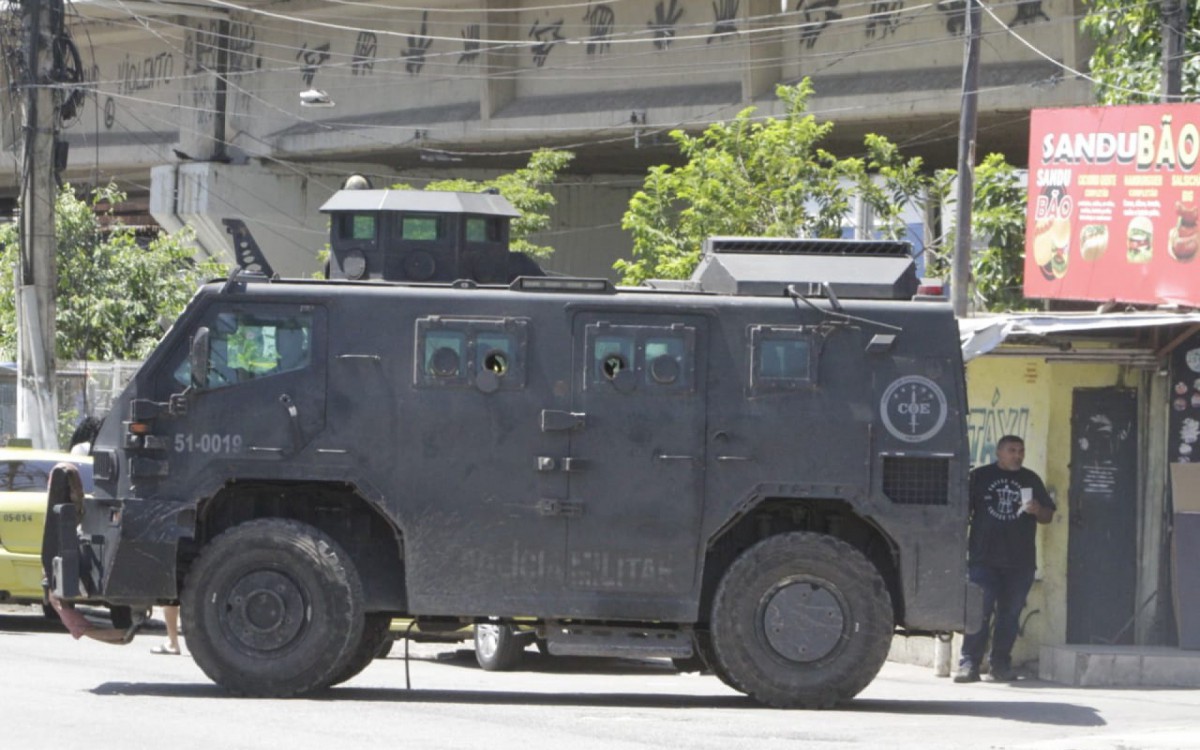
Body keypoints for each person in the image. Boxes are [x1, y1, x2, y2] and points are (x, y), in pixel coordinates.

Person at [955, 434, 1056, 683]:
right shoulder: (980, 477)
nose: (1017, 455)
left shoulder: (1030, 479)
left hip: (1019, 562)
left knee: (1009, 616)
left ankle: (999, 664)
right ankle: (969, 663)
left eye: (1021, 450)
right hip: (983, 559)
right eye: (1012, 450)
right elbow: (961, 511)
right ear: (999, 452)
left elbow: (1047, 516)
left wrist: (1037, 509)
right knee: (979, 612)